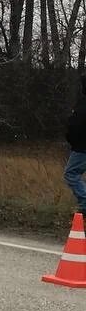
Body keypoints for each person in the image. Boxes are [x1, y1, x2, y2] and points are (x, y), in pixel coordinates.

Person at [64, 73, 86, 213]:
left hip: (82, 148)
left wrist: (72, 141)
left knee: (71, 173)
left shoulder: (82, 106)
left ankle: (85, 203)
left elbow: (74, 127)